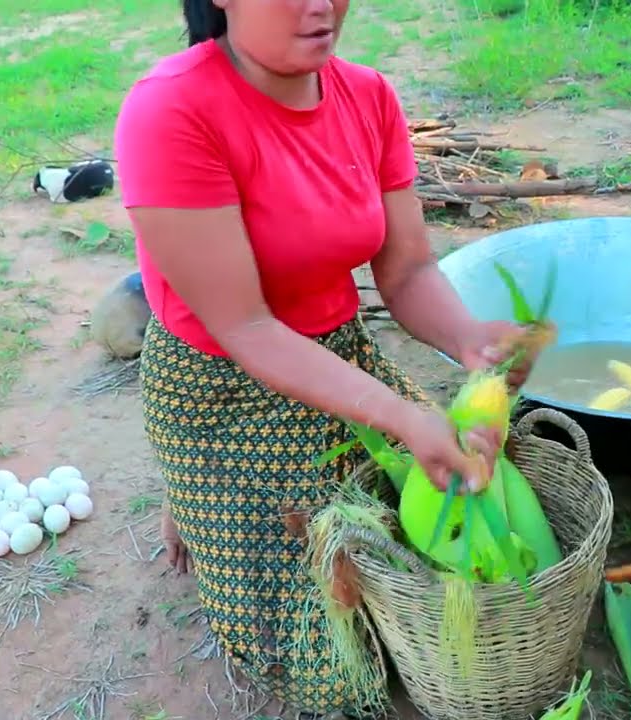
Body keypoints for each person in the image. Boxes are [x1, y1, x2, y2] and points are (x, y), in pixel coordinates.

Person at [112, 0, 538, 715]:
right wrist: (402, 414)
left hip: (339, 354)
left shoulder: (368, 95)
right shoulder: (171, 112)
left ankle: (199, 495)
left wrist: (468, 339)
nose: (322, 6)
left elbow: (405, 273)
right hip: (222, 385)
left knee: (445, 533)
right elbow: (246, 327)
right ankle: (191, 482)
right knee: (337, 653)